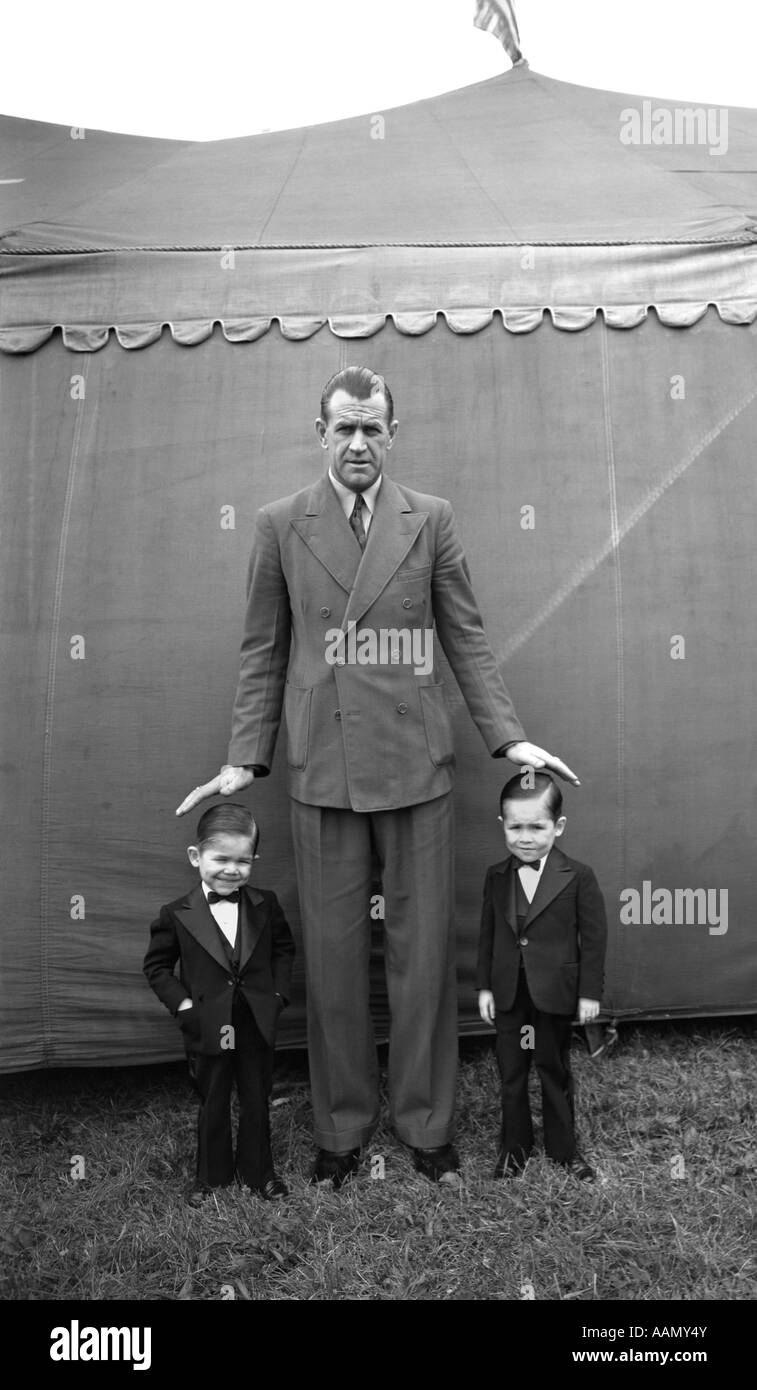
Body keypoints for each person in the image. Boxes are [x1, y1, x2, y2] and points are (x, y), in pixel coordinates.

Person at [176, 365, 579, 1188]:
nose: (358, 442)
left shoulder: (428, 519)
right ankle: (341, 1129)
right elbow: (264, 650)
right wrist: (242, 757)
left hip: (417, 767)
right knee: (328, 958)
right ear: (318, 432)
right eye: (343, 428)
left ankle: (427, 1129)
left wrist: (511, 742)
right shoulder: (280, 523)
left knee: (424, 955)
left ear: (392, 435)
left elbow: (464, 636)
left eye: (372, 428)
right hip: (321, 764)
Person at [144, 804, 295, 1204]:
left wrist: (278, 996)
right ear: (197, 857)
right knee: (213, 1099)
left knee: (256, 1097)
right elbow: (157, 967)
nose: (232, 869)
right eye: (221, 859)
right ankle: (211, 1178)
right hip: (207, 1023)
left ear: (253, 861)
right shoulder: (176, 914)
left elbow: (284, 950)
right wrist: (184, 1007)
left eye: (242, 861)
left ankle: (259, 1172)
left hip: (255, 1021)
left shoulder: (267, 904)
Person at [476, 772, 607, 1180]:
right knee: (511, 1072)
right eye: (516, 827)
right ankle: (514, 1149)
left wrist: (589, 993)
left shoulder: (578, 876)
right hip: (509, 993)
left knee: (554, 1068)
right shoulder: (496, 876)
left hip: (554, 993)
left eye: (537, 827)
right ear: (502, 825)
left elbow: (595, 937)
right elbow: (488, 935)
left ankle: (564, 1150)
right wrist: (484, 985)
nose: (526, 837)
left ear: (558, 827)